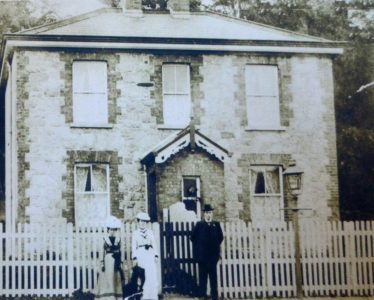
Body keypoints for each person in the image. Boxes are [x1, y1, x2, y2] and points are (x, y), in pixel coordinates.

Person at [190, 204, 224, 300]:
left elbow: (220, 238)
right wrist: (199, 249)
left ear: (212, 214)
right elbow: (192, 238)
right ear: (203, 214)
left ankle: (214, 297)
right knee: (203, 279)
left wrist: (215, 250)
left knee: (213, 279)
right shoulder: (199, 225)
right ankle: (202, 296)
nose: (208, 214)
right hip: (202, 258)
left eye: (209, 212)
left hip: (213, 258)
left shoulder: (216, 225)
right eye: (206, 213)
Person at [94, 215, 124, 300]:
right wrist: (102, 262)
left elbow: (120, 251)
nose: (112, 231)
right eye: (110, 229)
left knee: (115, 277)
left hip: (116, 260)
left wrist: (120, 262)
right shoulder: (104, 239)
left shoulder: (118, 239)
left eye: (114, 229)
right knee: (107, 278)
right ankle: (107, 297)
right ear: (108, 229)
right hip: (107, 260)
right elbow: (101, 252)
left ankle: (115, 296)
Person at [131, 212, 159, 300]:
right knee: (143, 275)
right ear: (138, 222)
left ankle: (152, 296)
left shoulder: (150, 232)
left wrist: (156, 255)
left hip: (149, 254)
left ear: (147, 223)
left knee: (151, 274)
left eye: (144, 222)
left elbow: (154, 244)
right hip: (141, 255)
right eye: (140, 221)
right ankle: (143, 296)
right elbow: (133, 247)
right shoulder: (135, 233)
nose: (142, 223)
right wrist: (134, 257)